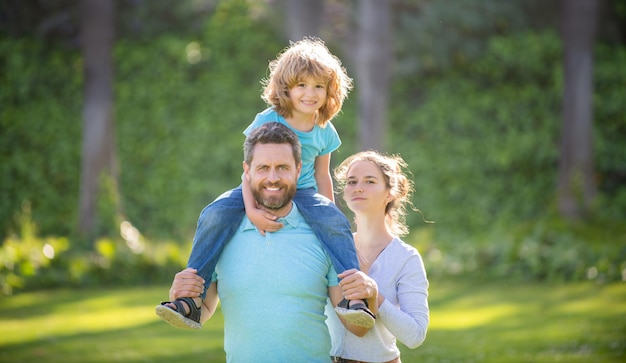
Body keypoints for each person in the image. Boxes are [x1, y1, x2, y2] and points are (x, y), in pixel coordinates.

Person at [156, 37, 374, 330]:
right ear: (286, 88)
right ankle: (191, 300)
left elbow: (322, 175)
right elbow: (248, 171)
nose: (310, 94)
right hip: (259, 189)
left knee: (335, 221)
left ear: (329, 91)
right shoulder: (269, 118)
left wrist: (329, 214)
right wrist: (251, 209)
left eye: (318, 87)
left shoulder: (324, 129)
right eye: (302, 86)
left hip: (304, 192)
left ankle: (353, 300)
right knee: (214, 214)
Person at [161, 122, 369, 362]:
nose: (273, 178)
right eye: (263, 168)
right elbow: (205, 310)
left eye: (282, 167)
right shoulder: (221, 232)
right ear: (246, 170)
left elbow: (357, 328)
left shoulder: (323, 233)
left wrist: (370, 295)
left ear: (298, 169)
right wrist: (182, 291)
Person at [326, 150, 430, 363]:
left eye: (370, 181)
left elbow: (415, 336)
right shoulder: (332, 248)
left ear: (390, 192)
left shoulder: (406, 258)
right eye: (351, 182)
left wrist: (375, 295)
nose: (358, 188)